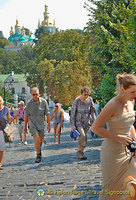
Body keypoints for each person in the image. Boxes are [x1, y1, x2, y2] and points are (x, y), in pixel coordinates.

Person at [92, 73, 136, 200]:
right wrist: (119, 138)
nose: (135, 95)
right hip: (112, 154)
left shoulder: (131, 102)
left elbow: (130, 125)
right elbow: (95, 128)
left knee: (133, 186)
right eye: (132, 92)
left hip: (128, 153)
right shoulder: (112, 104)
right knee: (110, 191)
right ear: (123, 89)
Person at [24, 87, 51, 163]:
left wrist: (49, 125)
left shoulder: (44, 102)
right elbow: (26, 116)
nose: (35, 96)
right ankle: (38, 155)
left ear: (39, 94)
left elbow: (48, 114)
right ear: (31, 95)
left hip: (42, 123)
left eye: (36, 94)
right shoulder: (29, 104)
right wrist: (25, 126)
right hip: (32, 123)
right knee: (36, 138)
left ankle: (39, 150)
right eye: (33, 94)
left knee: (40, 141)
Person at [70, 86, 96, 160]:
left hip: (87, 122)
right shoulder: (77, 100)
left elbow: (93, 111)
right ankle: (79, 152)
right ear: (81, 94)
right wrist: (72, 125)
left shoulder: (90, 100)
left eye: (88, 94)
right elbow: (73, 113)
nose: (86, 96)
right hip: (78, 122)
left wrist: (94, 122)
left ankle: (81, 151)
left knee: (85, 138)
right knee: (82, 135)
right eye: (85, 94)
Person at [0, 96, 11, 170]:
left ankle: (0, 163)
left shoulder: (6, 109)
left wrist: (9, 130)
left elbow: (9, 120)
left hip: (2, 130)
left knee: (1, 147)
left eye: (0, 101)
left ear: (2, 101)